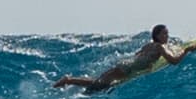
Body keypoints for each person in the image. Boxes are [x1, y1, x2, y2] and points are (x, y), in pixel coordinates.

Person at [55, 24, 187, 95]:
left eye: (167, 33)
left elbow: (139, 55)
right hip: (127, 68)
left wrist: (147, 64)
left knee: (98, 84)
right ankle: (68, 80)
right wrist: (186, 51)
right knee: (97, 86)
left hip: (126, 65)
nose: (167, 36)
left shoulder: (149, 45)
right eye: (165, 33)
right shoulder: (159, 47)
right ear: (157, 35)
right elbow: (173, 61)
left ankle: (69, 81)